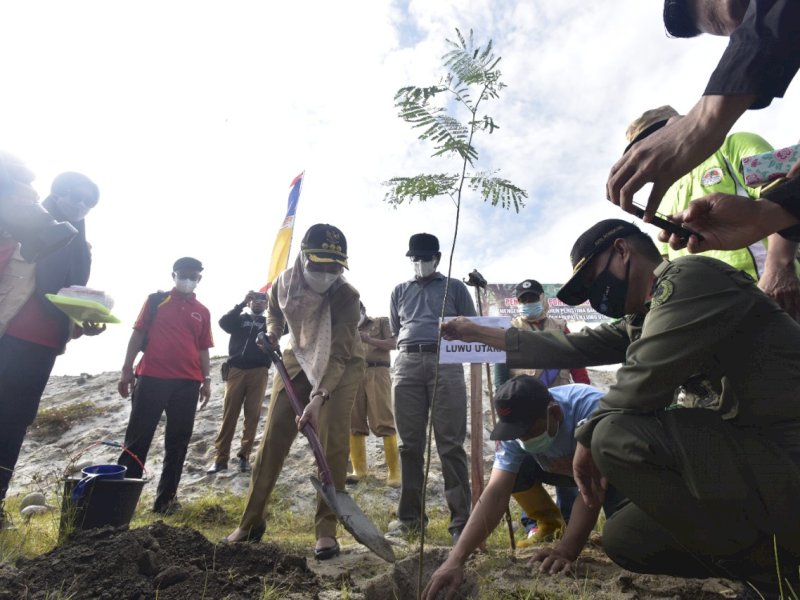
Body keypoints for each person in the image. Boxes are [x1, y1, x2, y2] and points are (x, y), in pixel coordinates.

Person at [441, 219, 800, 596]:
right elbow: (571, 348)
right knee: (626, 538)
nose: (596, 296)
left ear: (622, 251)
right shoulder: (644, 317)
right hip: (743, 457)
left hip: (782, 450)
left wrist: (586, 436)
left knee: (611, 435)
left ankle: (777, 568)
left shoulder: (689, 279)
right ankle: (760, 564)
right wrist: (478, 332)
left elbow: (643, 379)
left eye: (593, 281)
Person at [224, 224, 364, 561]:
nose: (327, 274)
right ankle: (251, 522)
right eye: (320, 264)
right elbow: (274, 313)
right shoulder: (283, 284)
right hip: (297, 358)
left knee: (332, 444)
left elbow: (340, 354)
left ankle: (326, 529)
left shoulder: (347, 296)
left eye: (335, 267)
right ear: (303, 257)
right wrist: (273, 332)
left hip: (342, 365)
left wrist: (320, 397)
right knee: (273, 438)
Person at [422, 377, 625, 600]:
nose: (523, 439)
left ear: (555, 413)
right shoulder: (515, 431)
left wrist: (566, 550)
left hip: (613, 471)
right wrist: (455, 560)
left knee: (622, 542)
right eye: (517, 434)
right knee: (512, 472)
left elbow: (593, 490)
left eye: (528, 431)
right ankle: (549, 523)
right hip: (561, 470)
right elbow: (496, 492)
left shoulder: (590, 409)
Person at [607, 0, 800, 221]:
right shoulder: (668, 198)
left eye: (740, 7)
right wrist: (769, 215)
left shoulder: (729, 147)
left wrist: (703, 119)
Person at [0, 170, 104, 527]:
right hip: (7, 337)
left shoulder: (81, 247)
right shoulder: (18, 227)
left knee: (15, 425)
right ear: (56, 193)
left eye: (89, 203)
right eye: (75, 197)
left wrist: (85, 321)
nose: (81, 206)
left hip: (42, 347)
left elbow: (70, 295)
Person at [625, 105, 800, 317]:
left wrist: (779, 267)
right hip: (713, 316)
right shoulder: (661, 199)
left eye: (657, 135)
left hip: (773, 297)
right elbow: (667, 264)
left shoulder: (733, 145)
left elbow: (786, 193)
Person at [388, 232, 477, 544]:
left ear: (437, 258)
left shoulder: (455, 287)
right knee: (408, 446)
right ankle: (409, 520)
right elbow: (396, 330)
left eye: (425, 258)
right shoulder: (399, 291)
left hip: (446, 363)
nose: (420, 263)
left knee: (451, 444)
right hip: (406, 363)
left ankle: (461, 523)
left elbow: (473, 326)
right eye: (415, 258)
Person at [493, 278, 591, 546]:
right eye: (523, 300)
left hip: (559, 411)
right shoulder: (511, 331)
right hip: (524, 414)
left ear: (542, 299)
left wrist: (584, 390)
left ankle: (570, 522)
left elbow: (577, 365)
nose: (528, 303)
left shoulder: (559, 327)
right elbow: (501, 374)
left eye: (532, 298)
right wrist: (505, 415)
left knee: (568, 466)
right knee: (521, 464)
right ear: (517, 303)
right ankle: (539, 524)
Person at [117, 256, 213, 515]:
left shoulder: (202, 311)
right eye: (183, 274)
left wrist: (206, 380)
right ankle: (122, 501)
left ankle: (166, 501)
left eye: (193, 275)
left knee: (178, 442)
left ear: (199, 278)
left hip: (188, 383)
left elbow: (203, 348)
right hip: (152, 377)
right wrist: (126, 369)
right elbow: (137, 333)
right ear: (174, 275)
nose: (188, 279)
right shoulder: (155, 301)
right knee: (138, 439)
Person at [206, 290, 272, 475]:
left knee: (252, 415)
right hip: (236, 370)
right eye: (255, 299)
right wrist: (241, 304)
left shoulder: (270, 322)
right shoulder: (240, 319)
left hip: (259, 371)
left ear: (267, 304)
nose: (258, 302)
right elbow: (223, 322)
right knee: (229, 414)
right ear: (250, 301)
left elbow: (287, 327)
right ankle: (220, 459)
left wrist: (275, 307)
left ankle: (244, 457)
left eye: (263, 300)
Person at [346, 302, 400, 488]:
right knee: (354, 420)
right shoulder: (346, 328)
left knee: (383, 419)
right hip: (354, 374)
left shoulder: (381, 322)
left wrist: (369, 340)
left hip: (378, 372)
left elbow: (394, 343)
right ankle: (359, 470)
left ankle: (394, 472)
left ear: (362, 310)